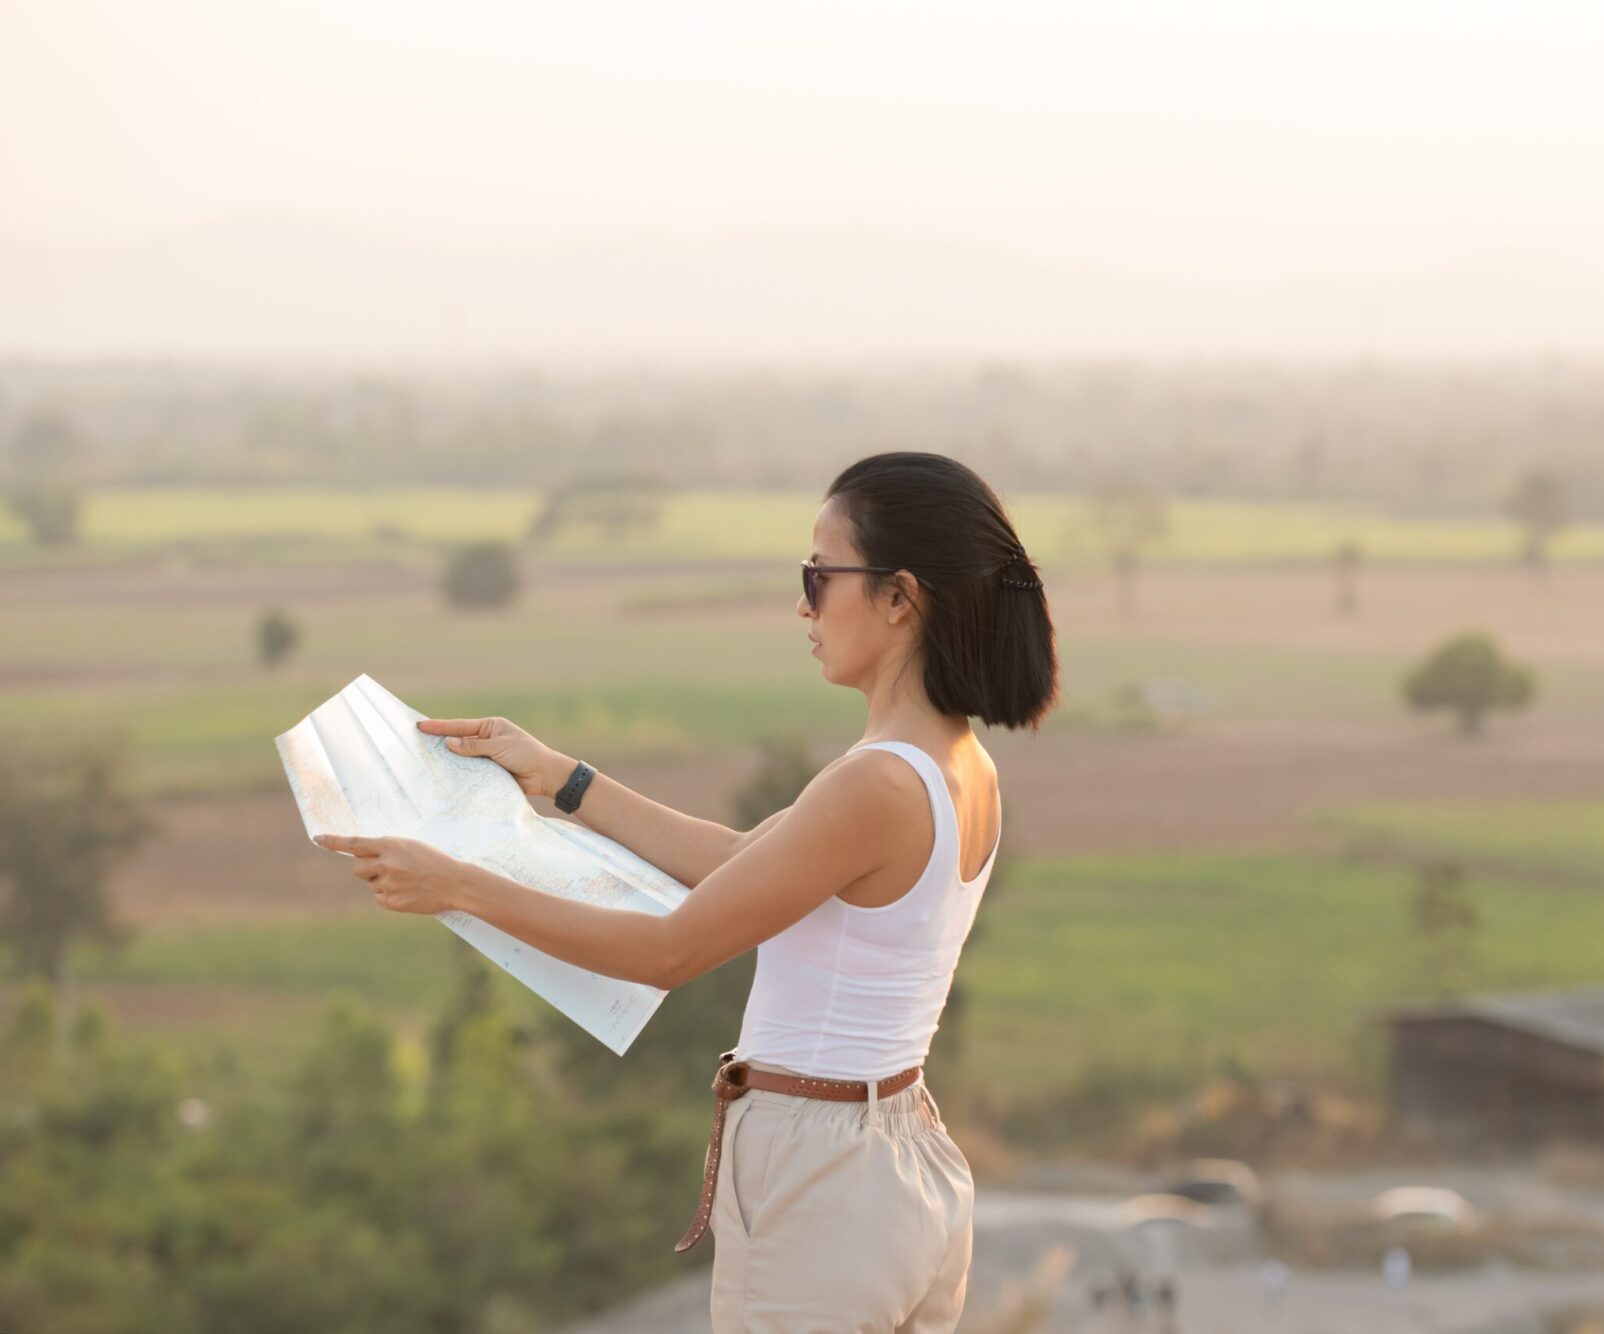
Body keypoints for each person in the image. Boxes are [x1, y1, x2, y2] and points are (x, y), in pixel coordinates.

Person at [312, 451, 1060, 1331]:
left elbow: (668, 952)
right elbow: (744, 859)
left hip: (819, 1180)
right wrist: (564, 779)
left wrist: (460, 887)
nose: (802, 605)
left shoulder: (877, 786)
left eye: (819, 577)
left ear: (899, 597)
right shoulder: (958, 767)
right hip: (904, 1165)